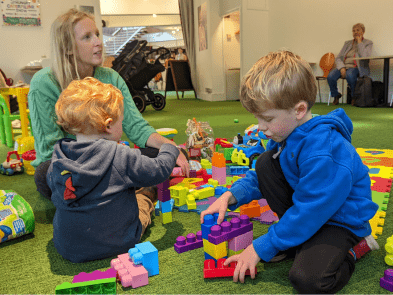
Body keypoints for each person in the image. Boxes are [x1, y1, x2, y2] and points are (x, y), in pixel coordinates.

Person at [200, 50, 379, 293]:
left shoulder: (323, 151)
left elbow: (311, 210)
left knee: (308, 280)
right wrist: (230, 196)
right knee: (265, 162)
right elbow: (261, 174)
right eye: (257, 118)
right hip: (310, 209)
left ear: (299, 110)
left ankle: (355, 249)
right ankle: (293, 238)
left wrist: (262, 246)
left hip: (339, 220)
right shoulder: (285, 133)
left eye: (267, 119)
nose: (261, 128)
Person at [28, 9, 189, 201]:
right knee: (45, 174)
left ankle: (103, 193)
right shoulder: (43, 83)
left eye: (97, 34)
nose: (98, 41)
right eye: (87, 37)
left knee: (168, 153)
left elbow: (137, 127)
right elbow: (50, 151)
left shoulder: (111, 77)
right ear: (68, 47)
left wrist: (169, 146)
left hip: (112, 159)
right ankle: (129, 188)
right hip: (74, 166)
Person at [47, 77, 179, 263]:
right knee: (142, 198)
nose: (122, 125)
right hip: (119, 242)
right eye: (121, 121)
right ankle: (146, 195)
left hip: (69, 248)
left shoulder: (59, 155)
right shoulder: (119, 154)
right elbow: (159, 170)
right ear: (108, 125)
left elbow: (52, 185)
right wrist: (169, 148)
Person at [327, 23, 373, 105]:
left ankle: (353, 97)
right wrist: (342, 68)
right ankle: (336, 95)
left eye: (358, 30)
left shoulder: (368, 43)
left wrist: (359, 42)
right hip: (344, 66)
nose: (355, 32)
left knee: (350, 75)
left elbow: (365, 56)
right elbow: (339, 58)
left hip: (357, 67)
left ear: (363, 32)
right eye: (353, 31)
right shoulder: (347, 43)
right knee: (330, 76)